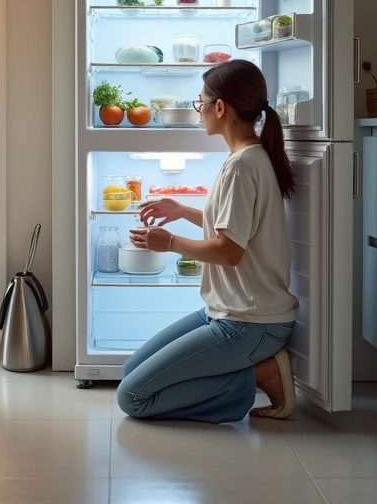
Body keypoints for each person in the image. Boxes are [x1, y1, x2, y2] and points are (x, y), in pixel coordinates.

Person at [119, 59, 298, 424]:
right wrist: (182, 210)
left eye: (200, 102)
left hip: (250, 323)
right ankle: (249, 371)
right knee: (132, 371)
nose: (198, 110)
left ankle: (260, 374)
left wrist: (169, 242)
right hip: (228, 310)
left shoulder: (242, 165)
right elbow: (236, 230)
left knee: (133, 398)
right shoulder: (248, 157)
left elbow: (229, 251)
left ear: (220, 107)